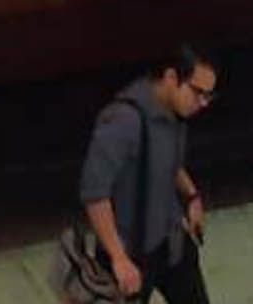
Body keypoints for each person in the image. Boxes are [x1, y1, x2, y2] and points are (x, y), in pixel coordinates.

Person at [55, 45, 218, 303]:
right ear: (171, 78)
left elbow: (169, 163)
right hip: (130, 255)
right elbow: (95, 195)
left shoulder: (177, 113)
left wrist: (191, 196)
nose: (202, 103)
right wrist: (118, 258)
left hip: (172, 242)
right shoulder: (122, 121)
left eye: (209, 96)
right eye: (198, 93)